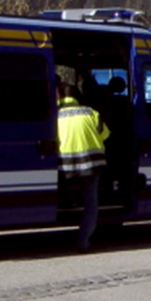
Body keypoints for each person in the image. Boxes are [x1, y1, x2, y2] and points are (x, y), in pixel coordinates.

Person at [57, 82, 111, 252]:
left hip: (65, 167)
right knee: (90, 204)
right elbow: (105, 135)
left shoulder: (55, 116)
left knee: (61, 199)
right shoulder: (91, 113)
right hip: (91, 165)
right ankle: (83, 242)